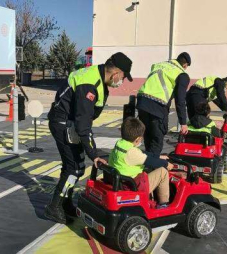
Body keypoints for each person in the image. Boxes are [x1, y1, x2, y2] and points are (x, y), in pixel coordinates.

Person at [45, 52, 134, 224]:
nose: (121, 81)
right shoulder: (90, 84)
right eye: (123, 76)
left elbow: (86, 118)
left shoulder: (98, 78)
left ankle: (65, 202)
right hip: (63, 123)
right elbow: (83, 124)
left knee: (75, 166)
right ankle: (54, 207)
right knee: (74, 169)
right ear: (115, 73)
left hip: (69, 123)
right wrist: (94, 154)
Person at [109, 117, 174, 208]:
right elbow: (152, 162)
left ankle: (152, 198)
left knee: (148, 169)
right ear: (138, 139)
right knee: (163, 172)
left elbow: (142, 153)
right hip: (132, 185)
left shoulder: (120, 144)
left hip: (121, 180)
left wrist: (159, 156)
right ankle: (163, 205)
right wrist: (166, 164)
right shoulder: (131, 153)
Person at [136, 52, 191, 156]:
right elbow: (180, 100)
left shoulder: (159, 65)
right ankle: (152, 167)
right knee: (157, 138)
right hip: (158, 104)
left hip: (142, 101)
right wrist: (183, 123)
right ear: (185, 65)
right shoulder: (181, 74)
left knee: (148, 134)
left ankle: (148, 160)